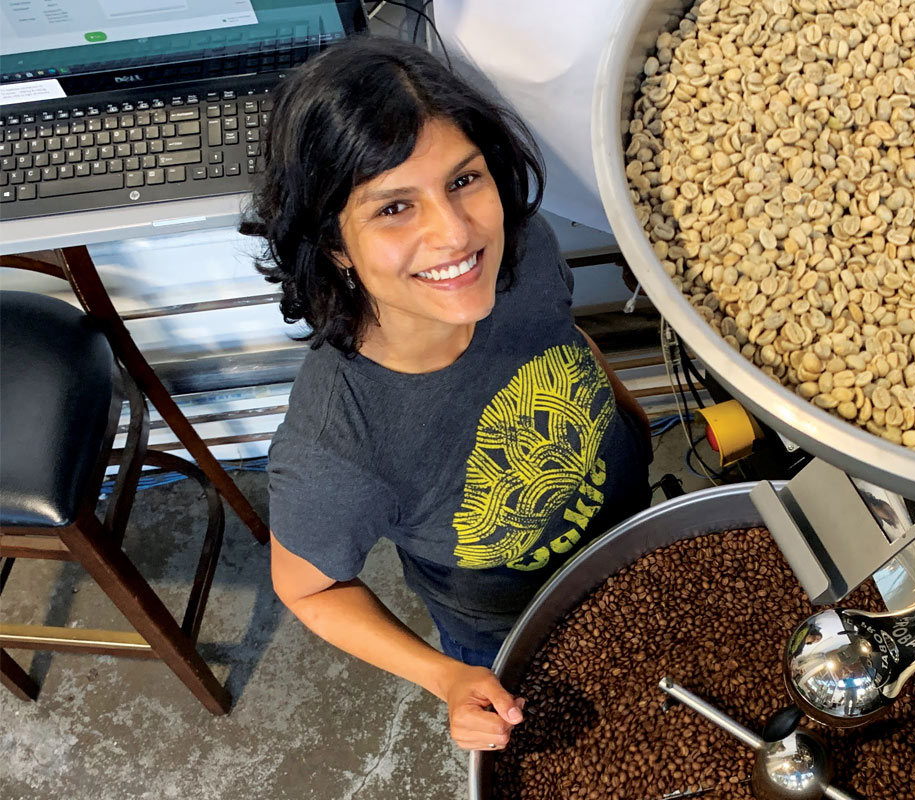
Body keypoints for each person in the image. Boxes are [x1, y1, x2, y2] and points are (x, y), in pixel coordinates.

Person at [243, 36, 652, 752]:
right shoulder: (334, 452)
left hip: (633, 528)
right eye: (394, 208)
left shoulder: (520, 254)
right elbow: (308, 591)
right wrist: (446, 678)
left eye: (464, 180)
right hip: (508, 621)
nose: (455, 234)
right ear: (334, 243)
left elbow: (562, 334)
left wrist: (629, 413)